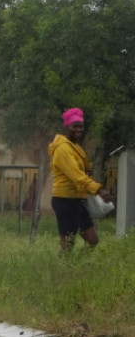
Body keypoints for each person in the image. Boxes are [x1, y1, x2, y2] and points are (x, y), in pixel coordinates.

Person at [48, 107, 113, 252]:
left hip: (77, 200)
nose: (79, 129)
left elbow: (84, 172)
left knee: (92, 240)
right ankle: (64, 271)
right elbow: (77, 176)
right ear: (67, 127)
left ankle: (79, 268)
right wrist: (98, 190)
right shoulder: (63, 149)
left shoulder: (75, 147)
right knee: (68, 244)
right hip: (64, 200)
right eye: (75, 126)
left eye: (81, 126)